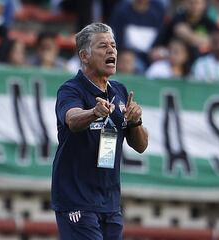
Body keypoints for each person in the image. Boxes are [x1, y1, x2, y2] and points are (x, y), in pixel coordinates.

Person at [52, 23, 148, 240]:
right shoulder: (71, 89)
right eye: (103, 46)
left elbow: (141, 146)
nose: (111, 50)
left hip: (110, 202)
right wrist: (93, 113)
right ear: (84, 56)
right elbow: (72, 119)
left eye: (113, 45)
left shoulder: (120, 91)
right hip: (76, 199)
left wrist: (136, 122)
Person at [151, 0, 217, 62]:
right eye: (191, 2)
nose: (194, 6)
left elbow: (215, 40)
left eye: (197, 3)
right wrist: (204, 40)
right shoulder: (177, 19)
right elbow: (186, 35)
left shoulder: (208, 22)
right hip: (172, 60)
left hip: (199, 62)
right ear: (184, 3)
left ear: (204, 4)